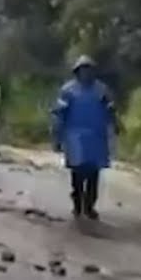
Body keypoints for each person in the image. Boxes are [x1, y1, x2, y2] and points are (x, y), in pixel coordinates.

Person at [51, 55, 120, 220]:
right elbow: (59, 114)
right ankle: (77, 204)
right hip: (74, 137)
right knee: (77, 174)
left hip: (96, 137)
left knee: (93, 174)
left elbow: (111, 109)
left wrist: (116, 124)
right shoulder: (68, 91)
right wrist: (57, 136)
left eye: (89, 69)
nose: (86, 73)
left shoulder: (101, 90)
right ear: (77, 72)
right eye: (83, 70)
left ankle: (89, 206)